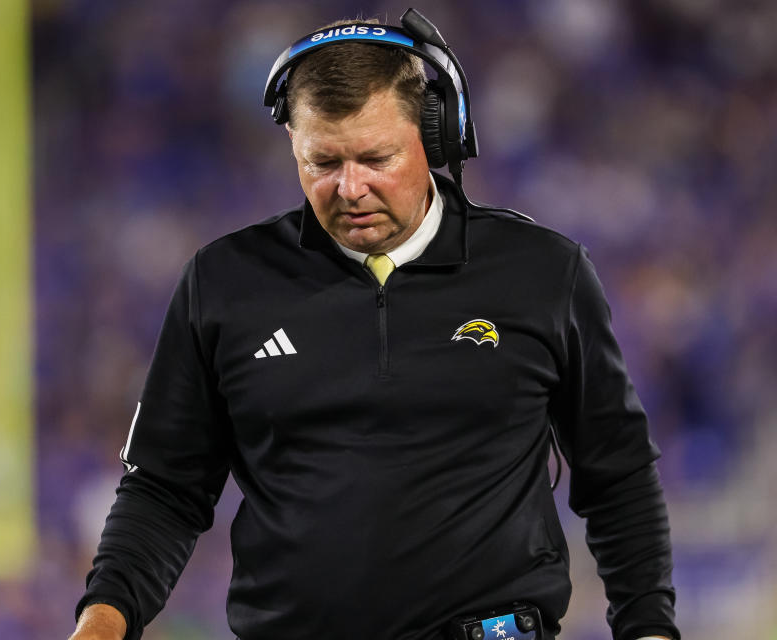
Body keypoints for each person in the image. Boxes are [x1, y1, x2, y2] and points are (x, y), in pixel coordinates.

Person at [70, 10, 679, 640]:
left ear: (436, 137)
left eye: (375, 157)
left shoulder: (544, 273)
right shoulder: (224, 283)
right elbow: (164, 489)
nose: (350, 187)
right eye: (322, 162)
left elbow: (619, 477)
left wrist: (649, 628)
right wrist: (102, 622)